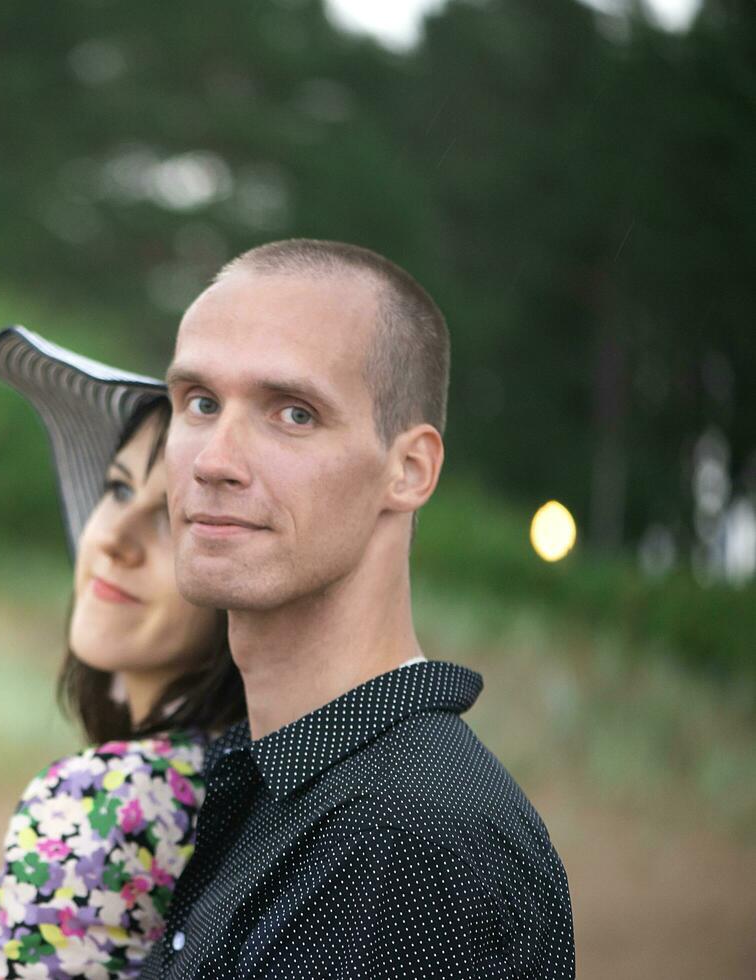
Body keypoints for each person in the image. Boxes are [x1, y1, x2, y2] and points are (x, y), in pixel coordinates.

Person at [140, 239, 576, 978]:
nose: (213, 460)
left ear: (409, 471)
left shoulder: (411, 839)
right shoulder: (282, 777)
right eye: (200, 403)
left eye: (294, 414)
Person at [0, 327, 246, 980]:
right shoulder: (247, 787)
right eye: (116, 489)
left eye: (174, 516)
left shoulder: (107, 798)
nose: (113, 538)